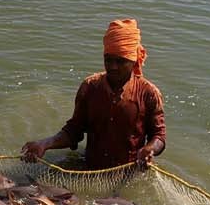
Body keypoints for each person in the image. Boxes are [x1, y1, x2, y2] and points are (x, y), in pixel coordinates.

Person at [21, 18, 166, 169]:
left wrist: (149, 149)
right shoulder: (90, 87)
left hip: (128, 171)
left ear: (133, 59)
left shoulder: (148, 93)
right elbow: (74, 131)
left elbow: (159, 137)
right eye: (108, 60)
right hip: (90, 167)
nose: (113, 67)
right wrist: (45, 144)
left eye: (120, 61)